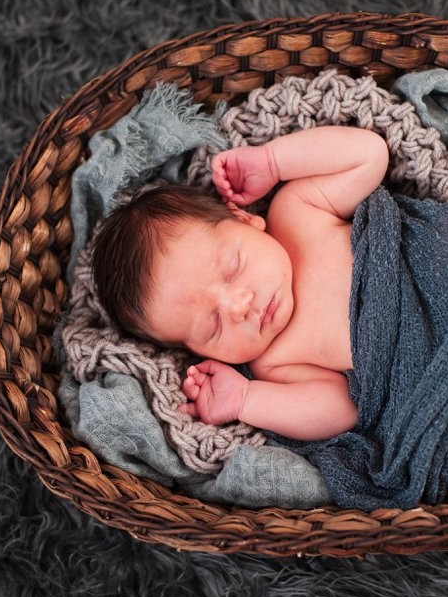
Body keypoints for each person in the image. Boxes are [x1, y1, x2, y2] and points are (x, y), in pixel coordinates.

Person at [92, 126, 389, 441]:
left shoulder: (296, 213)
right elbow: (343, 410)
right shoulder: (273, 363)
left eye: (233, 270)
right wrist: (245, 399)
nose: (239, 307)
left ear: (245, 219)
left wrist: (273, 161)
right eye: (214, 326)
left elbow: (368, 156)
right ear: (197, 351)